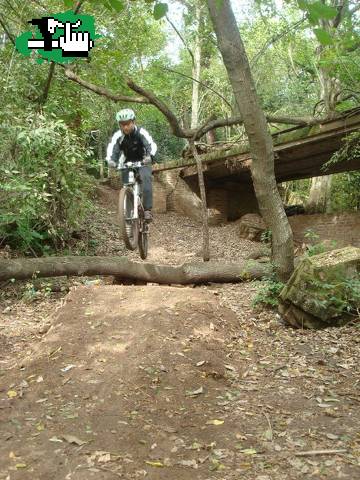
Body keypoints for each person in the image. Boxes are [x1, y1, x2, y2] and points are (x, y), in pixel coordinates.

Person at [106, 108, 157, 222]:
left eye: (128, 124)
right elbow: (113, 150)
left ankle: (147, 210)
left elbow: (151, 145)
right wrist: (111, 161)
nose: (125, 127)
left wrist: (149, 157)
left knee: (146, 178)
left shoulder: (141, 132)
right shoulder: (118, 136)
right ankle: (129, 214)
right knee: (126, 185)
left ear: (133, 122)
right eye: (122, 125)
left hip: (143, 161)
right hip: (127, 163)